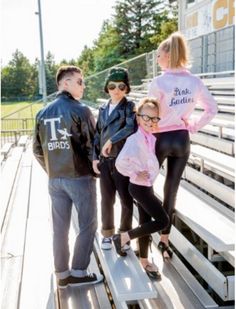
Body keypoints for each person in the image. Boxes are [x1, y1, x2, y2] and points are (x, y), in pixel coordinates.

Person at [148, 32, 218, 260]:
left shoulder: (158, 82)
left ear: (167, 55)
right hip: (181, 137)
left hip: (159, 137)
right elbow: (212, 109)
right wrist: (194, 126)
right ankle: (165, 239)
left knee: (144, 184)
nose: (157, 59)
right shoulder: (194, 81)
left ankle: (144, 233)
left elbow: (149, 114)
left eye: (159, 55)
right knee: (171, 189)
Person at [33, 65, 103, 289]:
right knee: (88, 224)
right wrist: (95, 173)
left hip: (55, 180)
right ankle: (79, 272)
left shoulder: (42, 113)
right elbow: (93, 146)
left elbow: (36, 150)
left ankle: (62, 274)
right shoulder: (81, 110)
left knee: (60, 228)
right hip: (79, 178)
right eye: (79, 81)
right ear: (65, 83)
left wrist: (54, 170)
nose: (83, 85)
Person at [114, 97, 169, 280]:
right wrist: (135, 173)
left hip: (146, 186)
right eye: (146, 117)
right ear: (138, 118)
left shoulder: (149, 138)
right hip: (139, 187)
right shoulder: (134, 139)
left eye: (154, 118)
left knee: (145, 223)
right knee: (162, 221)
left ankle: (144, 260)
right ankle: (123, 238)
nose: (150, 122)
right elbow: (120, 163)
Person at [93, 67, 136, 250]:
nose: (116, 90)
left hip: (122, 160)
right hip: (105, 161)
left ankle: (124, 235)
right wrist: (95, 157)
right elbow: (97, 134)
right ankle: (107, 233)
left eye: (121, 86)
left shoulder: (129, 106)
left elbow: (130, 128)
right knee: (106, 199)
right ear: (107, 88)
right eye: (112, 86)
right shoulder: (102, 108)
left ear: (126, 88)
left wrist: (111, 140)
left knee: (126, 200)